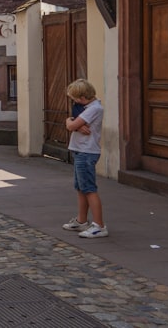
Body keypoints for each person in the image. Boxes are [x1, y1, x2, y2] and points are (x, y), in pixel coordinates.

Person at [62, 79, 108, 239]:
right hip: (80, 151)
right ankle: (81, 221)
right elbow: (74, 123)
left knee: (89, 189)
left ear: (82, 97)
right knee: (81, 188)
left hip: (86, 152)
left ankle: (99, 225)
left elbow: (70, 125)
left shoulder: (94, 109)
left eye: (74, 98)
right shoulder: (87, 108)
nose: (73, 101)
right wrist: (74, 123)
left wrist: (71, 123)